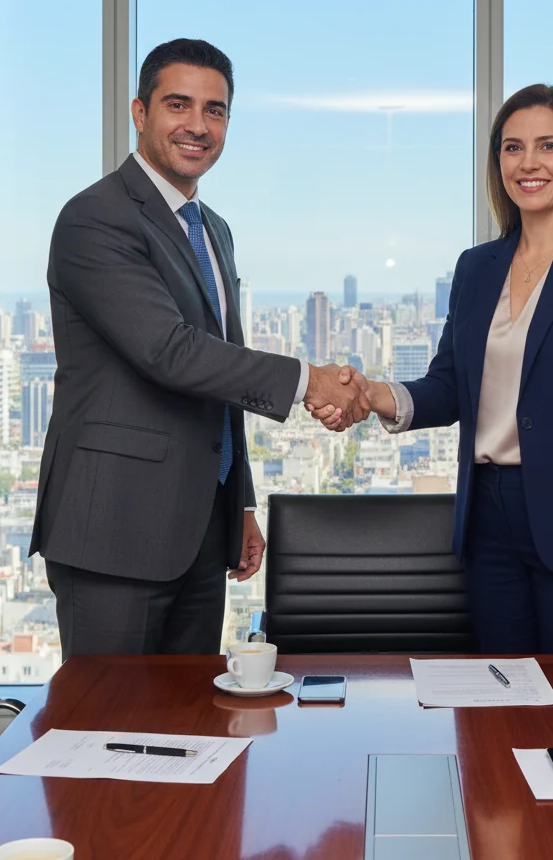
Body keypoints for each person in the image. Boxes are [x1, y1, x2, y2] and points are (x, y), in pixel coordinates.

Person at [30, 38, 368, 658]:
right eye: (178, 104)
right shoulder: (94, 218)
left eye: (215, 110)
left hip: (198, 534)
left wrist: (238, 504)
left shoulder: (213, 230)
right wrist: (308, 381)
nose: (198, 125)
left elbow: (220, 378)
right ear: (140, 112)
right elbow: (171, 352)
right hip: (114, 532)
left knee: (189, 734)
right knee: (109, 733)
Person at [313, 84, 553, 653]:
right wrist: (370, 394)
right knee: (500, 706)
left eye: (547, 146)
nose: (528, 163)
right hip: (488, 521)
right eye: (512, 148)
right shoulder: (478, 267)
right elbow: (451, 387)